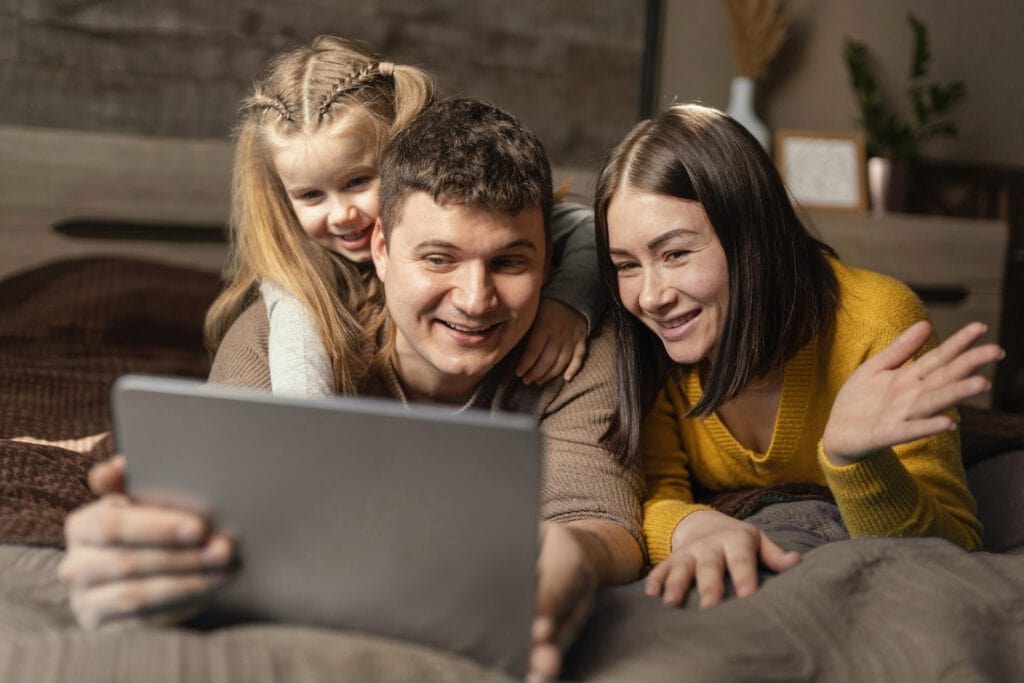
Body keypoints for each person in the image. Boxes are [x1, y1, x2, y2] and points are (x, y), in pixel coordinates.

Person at [60, 97, 644, 682]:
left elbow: (599, 517)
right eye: (439, 259)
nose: (475, 300)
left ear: (548, 260)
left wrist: (577, 555)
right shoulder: (280, 332)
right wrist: (163, 548)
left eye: (510, 263)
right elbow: (226, 504)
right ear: (383, 250)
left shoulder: (577, 342)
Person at [592, 103, 1003, 610]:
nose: (650, 296)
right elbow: (657, 492)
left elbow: (955, 546)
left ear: (751, 236)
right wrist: (691, 526)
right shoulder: (648, 344)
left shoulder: (877, 322)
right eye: (627, 265)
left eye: (675, 253)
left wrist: (854, 460)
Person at [204, 35, 602, 399]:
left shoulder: (475, 210)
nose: (342, 214)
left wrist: (568, 302)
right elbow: (301, 386)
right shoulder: (296, 288)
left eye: (358, 181)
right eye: (311, 195)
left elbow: (588, 229)